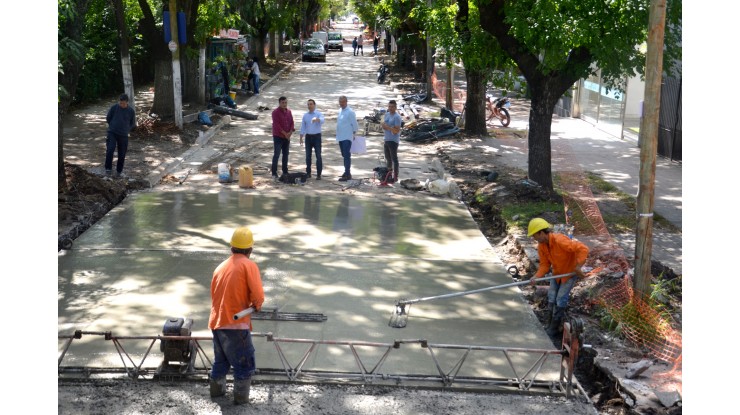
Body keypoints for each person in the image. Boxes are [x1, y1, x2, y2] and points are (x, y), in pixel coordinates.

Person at [208, 226, 265, 405]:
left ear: (232, 247)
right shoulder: (249, 265)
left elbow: (215, 296)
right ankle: (240, 401)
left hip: (217, 323)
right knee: (245, 365)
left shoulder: (220, 267)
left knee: (221, 362)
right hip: (236, 324)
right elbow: (258, 296)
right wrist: (257, 305)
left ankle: (216, 395)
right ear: (250, 249)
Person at [527, 218, 589, 336]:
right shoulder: (542, 246)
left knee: (560, 298)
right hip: (557, 274)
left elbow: (583, 249)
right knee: (551, 297)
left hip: (568, 274)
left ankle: (554, 328)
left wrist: (578, 267)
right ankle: (549, 324)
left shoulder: (560, 240)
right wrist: (536, 277)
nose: (533, 238)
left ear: (541, 232)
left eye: (534, 235)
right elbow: (545, 265)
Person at [104, 93, 136, 177]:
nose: (122, 105)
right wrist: (112, 126)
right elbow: (108, 118)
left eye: (123, 103)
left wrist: (127, 129)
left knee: (122, 153)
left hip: (124, 135)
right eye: (120, 103)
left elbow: (132, 123)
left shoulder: (131, 111)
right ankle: (108, 168)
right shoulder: (114, 108)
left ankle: (119, 170)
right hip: (112, 132)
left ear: (127, 103)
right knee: (110, 149)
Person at [299, 99, 325, 179]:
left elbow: (323, 120)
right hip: (308, 137)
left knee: (318, 155)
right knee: (308, 156)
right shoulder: (305, 115)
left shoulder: (318, 114)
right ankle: (308, 172)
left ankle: (319, 174)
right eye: (308, 104)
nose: (309, 106)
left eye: (311, 104)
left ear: (314, 105)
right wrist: (301, 137)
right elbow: (303, 127)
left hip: (317, 136)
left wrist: (317, 119)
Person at [271, 96, 295, 181]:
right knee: (276, 155)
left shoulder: (289, 112)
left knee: (286, 155)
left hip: (287, 137)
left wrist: (290, 132)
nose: (284, 104)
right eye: (282, 103)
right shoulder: (275, 112)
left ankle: (285, 171)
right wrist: (285, 134)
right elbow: (277, 125)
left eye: (285, 102)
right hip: (278, 136)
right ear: (279, 103)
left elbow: (292, 122)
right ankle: (274, 172)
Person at [335, 95, 359, 181]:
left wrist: (353, 134)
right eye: (340, 102)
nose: (341, 104)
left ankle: (347, 174)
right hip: (341, 136)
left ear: (346, 102)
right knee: (344, 155)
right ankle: (346, 172)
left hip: (347, 137)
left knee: (346, 156)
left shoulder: (350, 112)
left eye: (342, 102)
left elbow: (355, 125)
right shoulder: (340, 111)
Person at [381, 100, 403, 183]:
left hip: (393, 140)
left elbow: (396, 130)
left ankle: (396, 176)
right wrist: (386, 127)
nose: (390, 108)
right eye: (389, 106)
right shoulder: (386, 114)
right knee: (388, 158)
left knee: (394, 159)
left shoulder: (397, 117)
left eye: (392, 107)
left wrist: (389, 128)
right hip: (386, 139)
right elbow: (383, 124)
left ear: (395, 107)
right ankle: (389, 175)